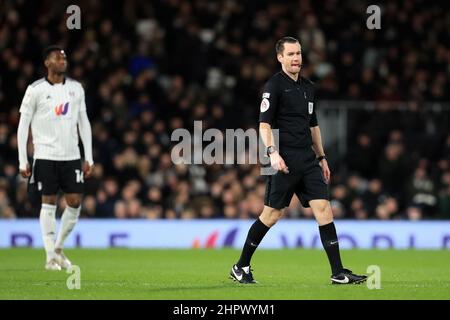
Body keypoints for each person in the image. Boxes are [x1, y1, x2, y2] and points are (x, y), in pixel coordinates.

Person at [229, 37, 367, 285]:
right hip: (283, 158)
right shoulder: (273, 86)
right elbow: (263, 124)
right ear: (279, 57)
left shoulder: (308, 87)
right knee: (271, 215)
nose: (296, 58)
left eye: (299, 54)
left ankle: (338, 273)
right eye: (291, 54)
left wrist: (322, 157)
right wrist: (272, 152)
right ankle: (241, 266)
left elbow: (313, 125)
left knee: (324, 210)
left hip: (307, 158)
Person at [17, 46, 94, 271]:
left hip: (71, 156)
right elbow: (23, 125)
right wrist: (23, 159)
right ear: (47, 63)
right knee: (48, 203)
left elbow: (84, 123)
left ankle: (58, 248)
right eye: (57, 58)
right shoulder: (35, 90)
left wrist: (88, 156)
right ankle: (50, 257)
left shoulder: (76, 89)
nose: (62, 60)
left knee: (75, 202)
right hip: (45, 156)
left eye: (64, 57)